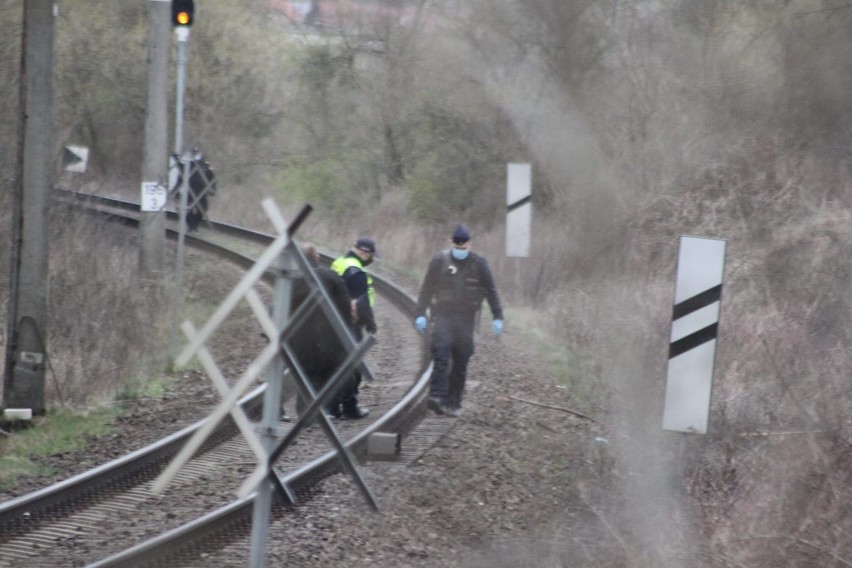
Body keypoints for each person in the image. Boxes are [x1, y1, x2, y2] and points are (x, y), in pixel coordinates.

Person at [414, 224, 503, 417]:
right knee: (441, 354)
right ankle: (437, 396)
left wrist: (498, 316)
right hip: (444, 315)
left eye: (464, 248)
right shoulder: (439, 261)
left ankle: (453, 403)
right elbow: (427, 289)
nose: (460, 250)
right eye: (457, 246)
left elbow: (491, 291)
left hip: (466, 319)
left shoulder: (479, 264)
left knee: (461, 360)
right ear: (451, 243)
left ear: (470, 245)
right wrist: (420, 313)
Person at [284, 242, 355, 420]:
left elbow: (284, 310)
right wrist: (346, 332)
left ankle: (304, 411)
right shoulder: (330, 276)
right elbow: (345, 306)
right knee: (328, 371)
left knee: (305, 373)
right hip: (328, 335)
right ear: (317, 257)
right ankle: (324, 410)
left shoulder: (292, 279)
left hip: (300, 336)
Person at [329, 237, 379, 419]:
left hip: (335, 319)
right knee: (353, 366)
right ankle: (350, 407)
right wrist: (370, 323)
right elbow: (360, 302)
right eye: (371, 255)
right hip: (350, 323)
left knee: (337, 365)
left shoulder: (340, 262)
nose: (370, 259)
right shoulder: (356, 271)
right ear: (364, 253)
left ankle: (332, 408)